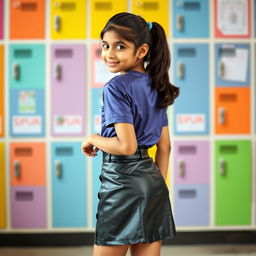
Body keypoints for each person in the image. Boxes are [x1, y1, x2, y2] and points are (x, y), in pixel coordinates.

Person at [81, 12, 179, 256]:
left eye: (120, 46)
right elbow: (165, 147)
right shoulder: (157, 84)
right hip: (153, 182)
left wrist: (93, 138)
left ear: (142, 51)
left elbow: (126, 146)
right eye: (105, 45)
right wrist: (156, 187)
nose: (110, 54)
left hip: (122, 182)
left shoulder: (116, 87)